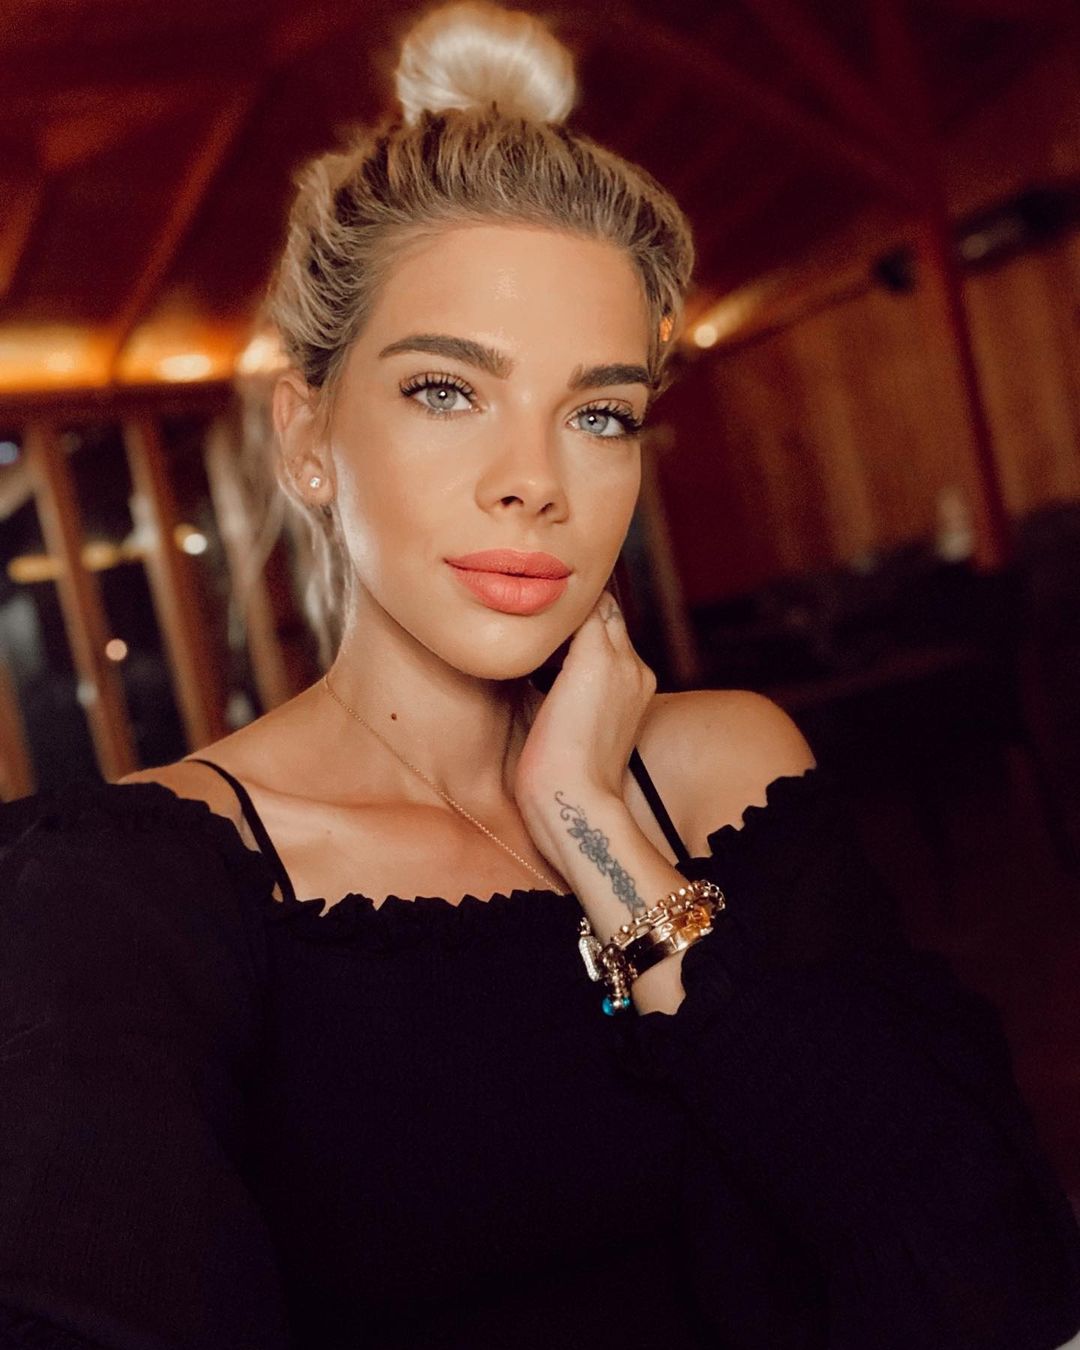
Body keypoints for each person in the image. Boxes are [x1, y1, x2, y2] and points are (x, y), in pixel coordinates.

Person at [1, 4, 1079, 1347]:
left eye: (600, 412)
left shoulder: (729, 767)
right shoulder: (128, 894)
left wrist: (596, 829)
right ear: (307, 438)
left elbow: (983, 1267)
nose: (535, 480)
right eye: (447, 390)